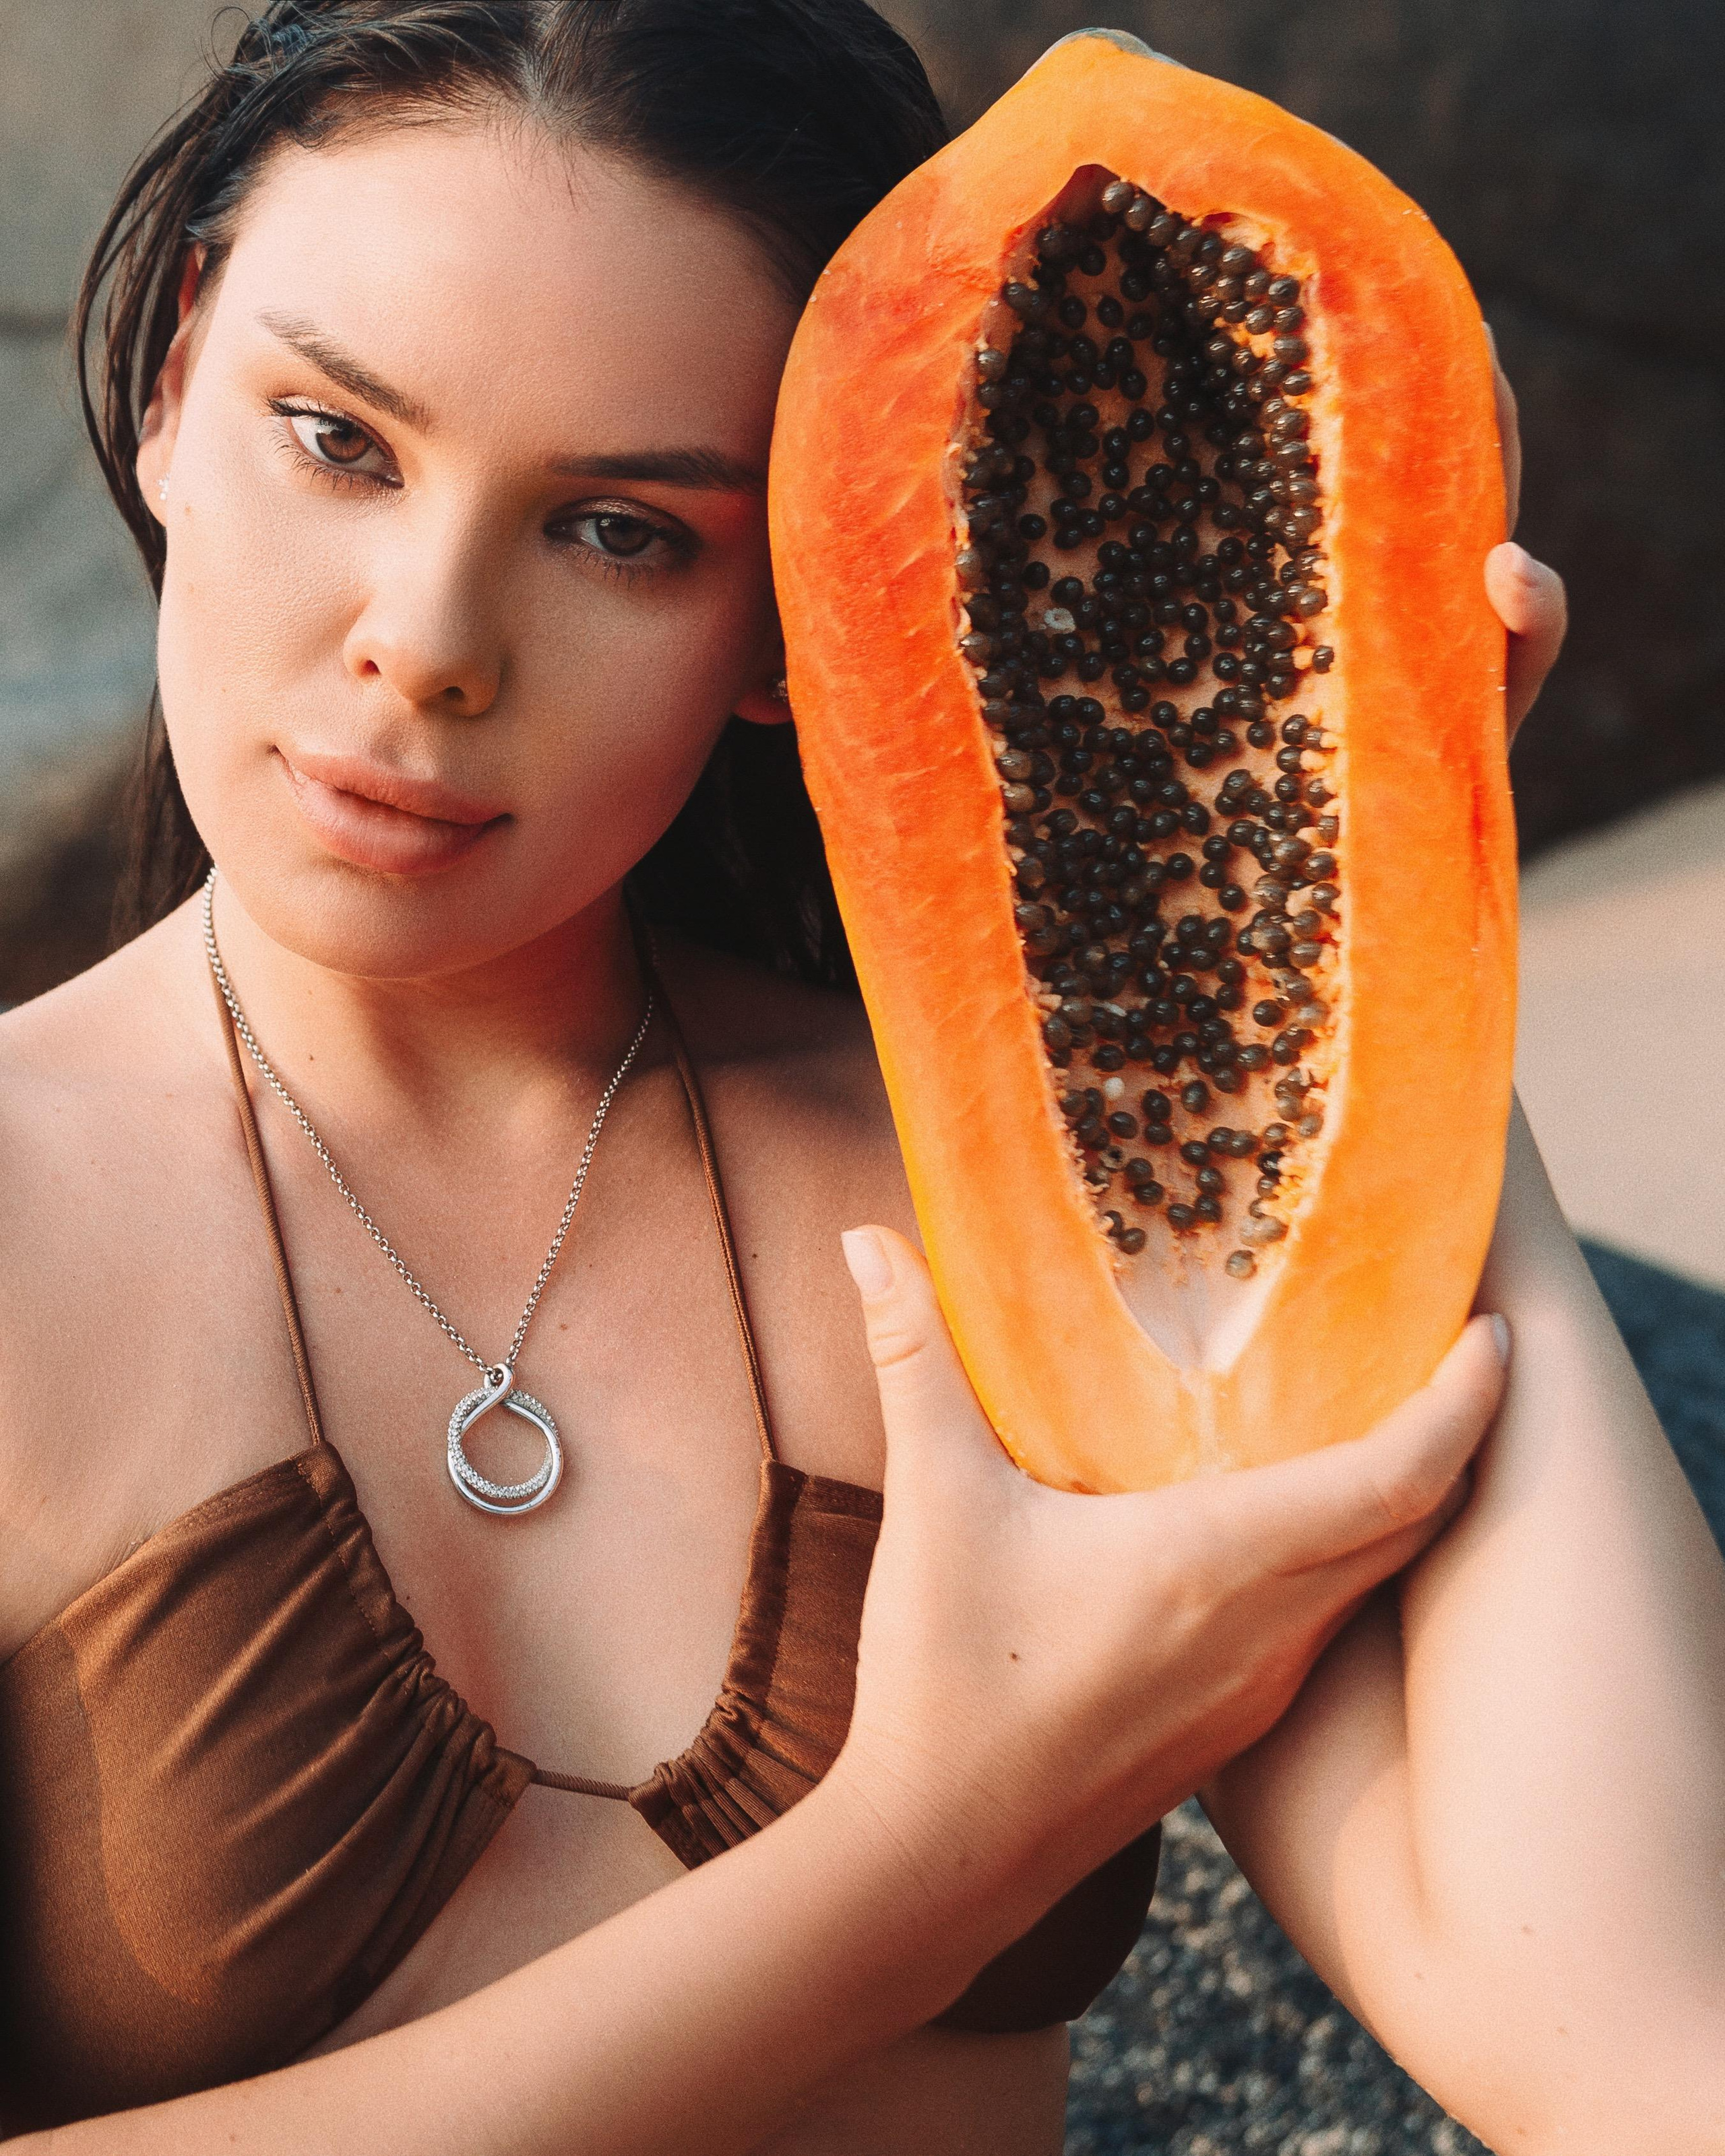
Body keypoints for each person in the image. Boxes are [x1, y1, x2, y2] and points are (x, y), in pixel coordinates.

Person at [0, 3, 1718, 2150]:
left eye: (625, 531)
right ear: (172, 386)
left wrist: (1361, 920)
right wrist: (928, 1851)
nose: (429, 639)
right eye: (338, 440)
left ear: (804, 617)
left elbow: (1635, 2048)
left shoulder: (1021, 1218)